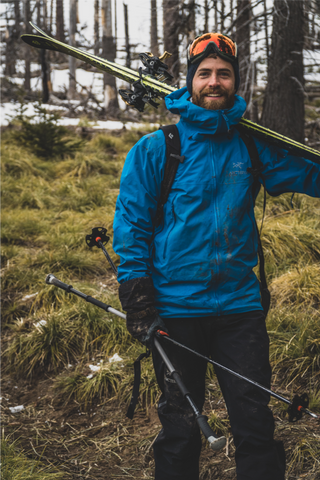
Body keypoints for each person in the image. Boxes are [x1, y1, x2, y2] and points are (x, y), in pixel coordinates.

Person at [113, 33, 320, 480]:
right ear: (190, 83)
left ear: (234, 82)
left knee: (255, 424)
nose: (214, 82)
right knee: (181, 427)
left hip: (239, 310)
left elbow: (310, 174)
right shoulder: (157, 149)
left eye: (223, 74)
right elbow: (131, 230)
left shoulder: (252, 145)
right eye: (204, 73)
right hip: (174, 310)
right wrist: (136, 296)